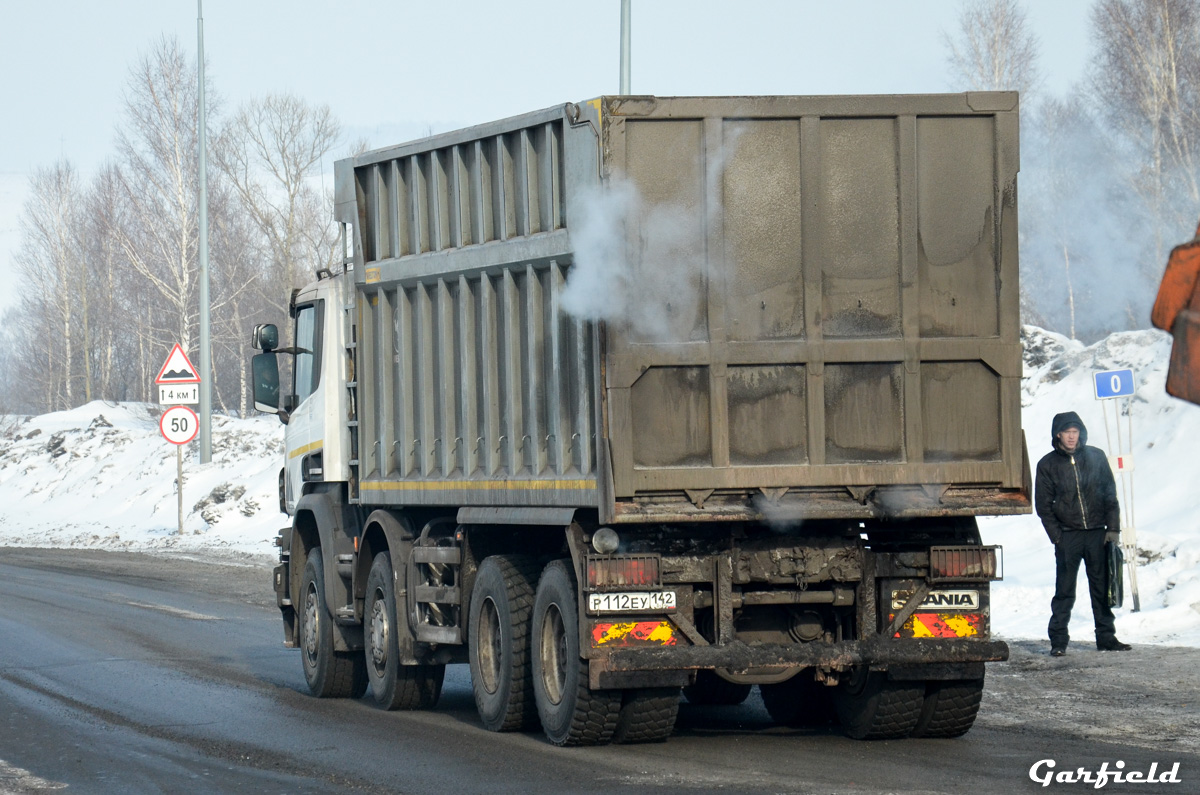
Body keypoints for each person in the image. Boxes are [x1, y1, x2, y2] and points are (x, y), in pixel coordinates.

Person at [1034, 411, 1131, 656]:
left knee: (1101, 587)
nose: (1071, 437)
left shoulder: (1096, 457)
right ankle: (1058, 641)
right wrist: (1057, 536)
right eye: (1067, 432)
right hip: (1068, 536)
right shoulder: (1047, 464)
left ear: (1081, 433)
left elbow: (1110, 496)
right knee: (1065, 590)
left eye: (1075, 432)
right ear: (1058, 434)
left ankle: (1106, 638)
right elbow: (1043, 506)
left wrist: (1114, 529)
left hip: (1098, 534)